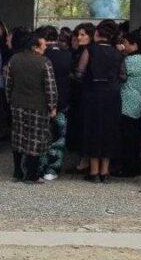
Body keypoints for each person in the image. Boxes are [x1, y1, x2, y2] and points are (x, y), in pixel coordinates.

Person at [76, 20, 125, 183]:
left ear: (97, 33)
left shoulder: (90, 50)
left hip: (93, 95)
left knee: (93, 131)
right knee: (109, 131)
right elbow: (123, 76)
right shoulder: (117, 53)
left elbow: (79, 73)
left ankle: (94, 172)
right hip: (112, 96)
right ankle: (105, 171)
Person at [6, 31, 58, 182]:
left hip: (17, 104)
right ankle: (31, 174)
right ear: (35, 47)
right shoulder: (44, 62)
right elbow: (50, 87)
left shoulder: (14, 59)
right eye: (43, 45)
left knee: (18, 136)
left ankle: (17, 171)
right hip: (38, 106)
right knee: (36, 139)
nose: (45, 47)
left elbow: (9, 83)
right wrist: (52, 106)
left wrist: (10, 100)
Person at [37, 25, 73, 180]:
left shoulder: (40, 56)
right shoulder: (67, 55)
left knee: (41, 134)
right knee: (59, 137)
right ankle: (53, 169)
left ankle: (39, 167)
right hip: (63, 100)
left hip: (41, 101)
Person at [113, 31, 141, 177]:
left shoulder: (133, 60)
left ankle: (128, 168)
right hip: (135, 101)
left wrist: (118, 53)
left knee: (127, 138)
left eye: (125, 43)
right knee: (131, 137)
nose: (123, 45)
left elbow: (118, 70)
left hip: (128, 102)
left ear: (134, 44)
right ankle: (132, 166)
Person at [67, 21, 95, 166]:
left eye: (82, 35)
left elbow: (80, 74)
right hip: (79, 94)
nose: (79, 37)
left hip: (86, 93)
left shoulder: (89, 51)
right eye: (78, 34)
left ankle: (85, 160)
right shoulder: (81, 50)